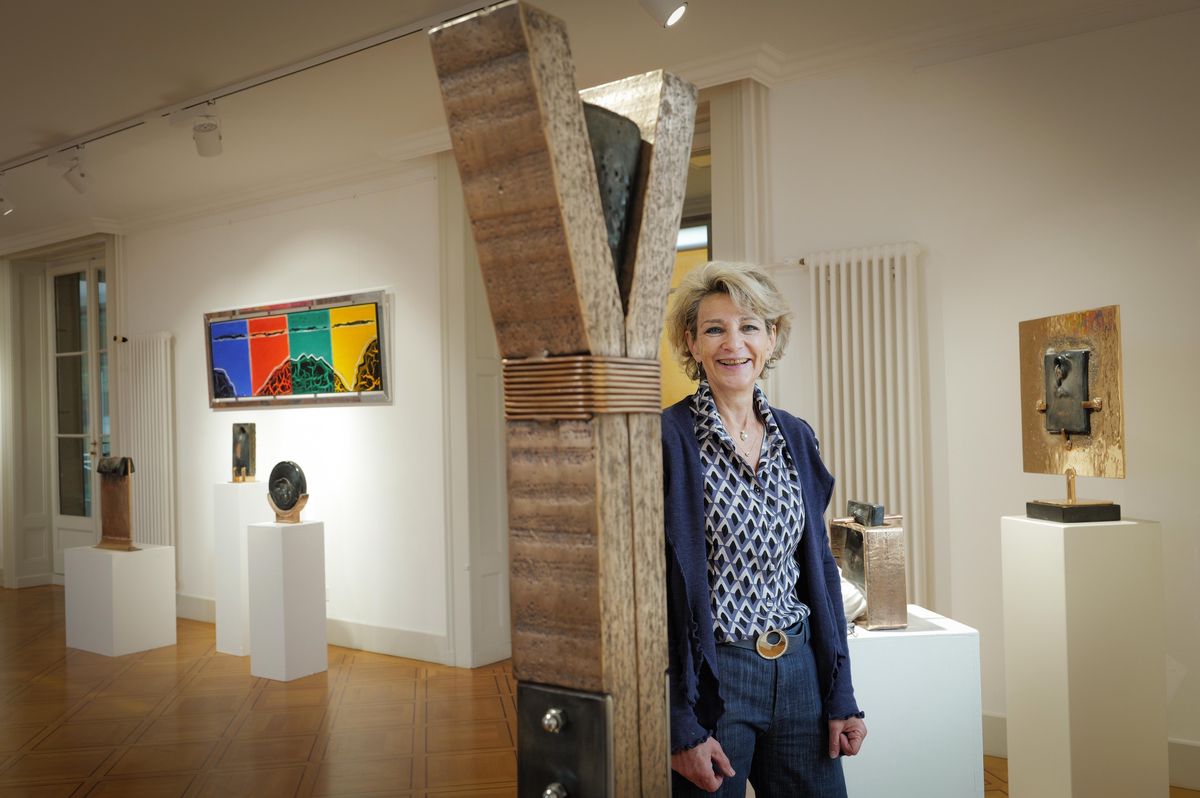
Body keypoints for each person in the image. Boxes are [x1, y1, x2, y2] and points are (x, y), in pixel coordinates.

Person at [662, 261, 867, 796]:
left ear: (771, 338)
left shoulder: (796, 436)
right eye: (715, 329)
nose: (734, 344)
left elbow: (819, 572)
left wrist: (840, 693)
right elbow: (652, 592)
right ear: (693, 343)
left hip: (799, 671)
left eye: (749, 326)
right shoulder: (667, 439)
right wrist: (680, 724)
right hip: (716, 681)